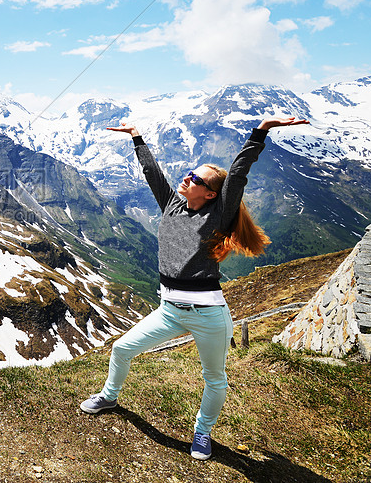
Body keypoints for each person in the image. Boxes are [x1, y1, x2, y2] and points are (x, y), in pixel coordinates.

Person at [80, 116, 309, 461]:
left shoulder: (218, 214)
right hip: (169, 311)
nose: (187, 178)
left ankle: (202, 433)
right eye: (189, 173)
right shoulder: (172, 204)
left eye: (196, 178)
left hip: (209, 316)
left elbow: (238, 174)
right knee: (122, 349)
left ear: (211, 194)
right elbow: (152, 174)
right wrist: (137, 138)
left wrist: (260, 131)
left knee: (215, 378)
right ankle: (110, 396)